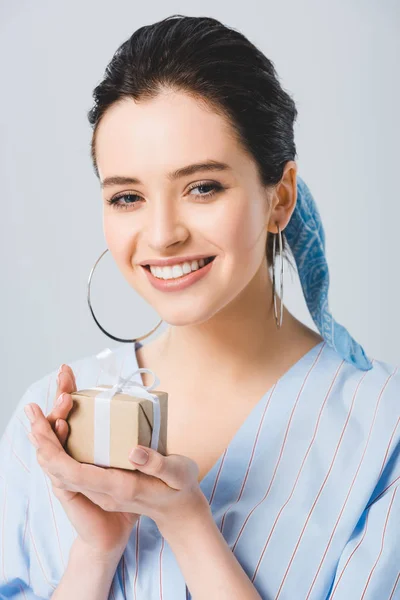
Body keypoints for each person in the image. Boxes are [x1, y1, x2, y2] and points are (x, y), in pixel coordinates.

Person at [1, 14, 399, 600]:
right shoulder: (49, 418)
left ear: (279, 197)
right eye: (128, 196)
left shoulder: (381, 433)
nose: (162, 235)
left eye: (203, 187)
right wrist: (96, 551)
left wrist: (188, 524)